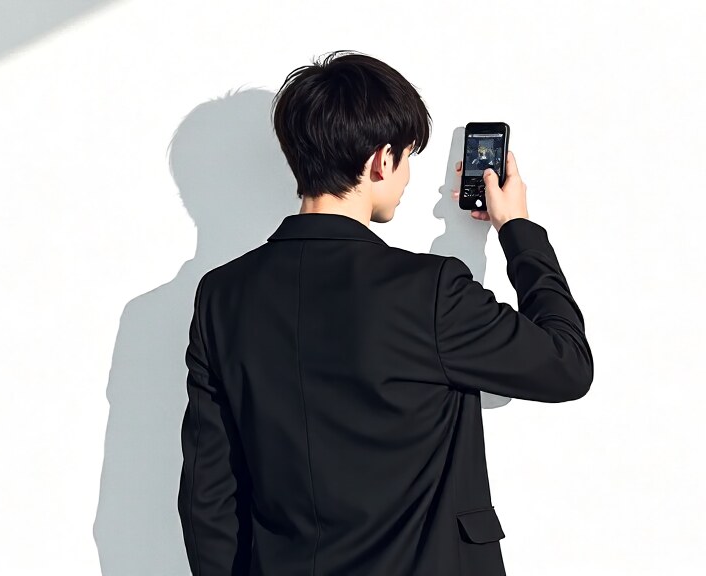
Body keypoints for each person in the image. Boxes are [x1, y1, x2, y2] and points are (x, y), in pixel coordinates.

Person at [177, 49, 593, 576]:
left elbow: (208, 496)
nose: (409, 178)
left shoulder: (222, 295)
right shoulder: (429, 290)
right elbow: (568, 364)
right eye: (408, 158)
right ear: (381, 159)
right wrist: (518, 231)